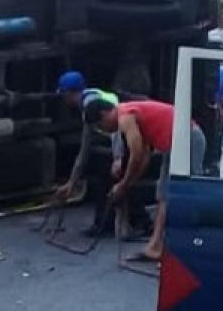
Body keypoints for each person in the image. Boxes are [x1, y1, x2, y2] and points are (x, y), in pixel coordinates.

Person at [84, 97, 205, 263]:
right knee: (163, 195)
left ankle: (188, 248)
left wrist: (123, 184)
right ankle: (155, 246)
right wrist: (127, 185)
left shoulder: (124, 115)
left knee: (185, 194)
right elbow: (145, 155)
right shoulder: (132, 113)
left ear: (104, 114)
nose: (104, 130)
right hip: (175, 144)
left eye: (100, 126)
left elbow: (136, 152)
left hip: (188, 139)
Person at [53, 71, 149, 237]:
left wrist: (118, 158)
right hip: (123, 132)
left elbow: (116, 129)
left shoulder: (92, 103)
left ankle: (142, 222)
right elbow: (85, 148)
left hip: (131, 128)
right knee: (103, 174)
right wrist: (72, 182)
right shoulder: (86, 106)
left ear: (69, 93)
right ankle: (105, 222)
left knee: (124, 176)